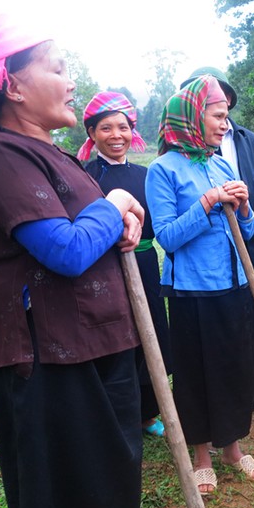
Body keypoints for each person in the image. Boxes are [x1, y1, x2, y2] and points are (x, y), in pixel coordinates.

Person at [0, 13, 145, 508]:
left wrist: (122, 221)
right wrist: (117, 203)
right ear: (12, 85)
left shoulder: (55, 155)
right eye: (58, 69)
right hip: (48, 361)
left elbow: (97, 228)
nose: (71, 81)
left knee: (108, 497)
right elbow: (65, 250)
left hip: (99, 344)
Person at [145, 75, 254, 494]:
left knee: (233, 368)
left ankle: (231, 449)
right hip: (191, 291)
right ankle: (201, 455)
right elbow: (167, 237)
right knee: (197, 374)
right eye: (217, 115)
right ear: (193, 117)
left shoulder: (220, 162)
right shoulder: (162, 170)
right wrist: (207, 202)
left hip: (233, 284)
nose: (224, 125)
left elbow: (245, 232)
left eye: (226, 117)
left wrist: (245, 204)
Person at [180, 67, 254, 414]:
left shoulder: (247, 139)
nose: (220, 114)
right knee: (213, 331)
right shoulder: (176, 160)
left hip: (248, 237)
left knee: (248, 320)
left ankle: (251, 391)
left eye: (223, 101)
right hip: (205, 254)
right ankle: (217, 402)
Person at [78, 91, 172, 437]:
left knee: (151, 335)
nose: (116, 135)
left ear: (133, 131)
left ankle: (148, 413)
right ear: (92, 133)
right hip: (105, 269)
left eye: (123, 127)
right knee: (118, 338)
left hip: (146, 262)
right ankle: (116, 415)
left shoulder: (147, 174)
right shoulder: (84, 176)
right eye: (106, 128)